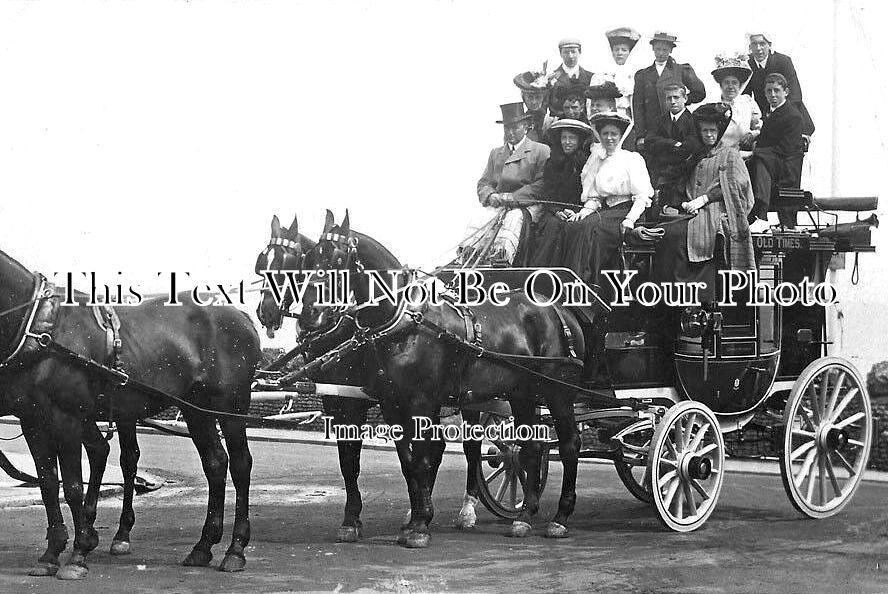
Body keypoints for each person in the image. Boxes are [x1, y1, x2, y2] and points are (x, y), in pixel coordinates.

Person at [652, 102, 755, 304]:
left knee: (677, 235)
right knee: (664, 231)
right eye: (705, 131)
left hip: (718, 209)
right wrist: (679, 203)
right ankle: (669, 296)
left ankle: (694, 296)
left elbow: (736, 187)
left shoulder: (730, 154)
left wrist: (705, 199)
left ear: (719, 131)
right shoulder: (698, 154)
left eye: (713, 131)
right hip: (692, 210)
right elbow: (683, 182)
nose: (709, 135)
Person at [561, 112, 654, 289]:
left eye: (614, 134)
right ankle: (570, 282)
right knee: (574, 226)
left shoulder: (631, 159)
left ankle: (588, 284)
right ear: (600, 135)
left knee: (592, 230)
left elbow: (642, 196)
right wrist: (583, 213)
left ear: (620, 136)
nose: (609, 138)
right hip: (606, 211)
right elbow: (595, 197)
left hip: (628, 211)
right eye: (605, 134)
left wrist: (630, 220)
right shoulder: (596, 159)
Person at [474, 102, 551, 264]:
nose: (510, 132)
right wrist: (491, 195)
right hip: (499, 203)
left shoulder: (541, 150)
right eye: (507, 128)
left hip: (528, 205)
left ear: (526, 127)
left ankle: (501, 258)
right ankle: (472, 256)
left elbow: (541, 184)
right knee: (480, 217)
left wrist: (513, 197)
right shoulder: (496, 153)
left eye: (515, 127)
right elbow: (484, 182)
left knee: (514, 219)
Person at [529, 119, 593, 267]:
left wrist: (576, 211)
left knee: (572, 229)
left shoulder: (587, 163)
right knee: (552, 226)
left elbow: (589, 194)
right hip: (554, 212)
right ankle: (539, 274)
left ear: (579, 140)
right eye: (564, 138)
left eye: (571, 138)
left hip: (579, 211)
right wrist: (557, 211)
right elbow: (548, 193)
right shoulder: (552, 163)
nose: (567, 142)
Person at [746, 73, 804, 232]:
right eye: (769, 91)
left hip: (786, 165)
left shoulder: (793, 116)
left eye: (777, 91)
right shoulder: (769, 112)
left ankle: (762, 216)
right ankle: (747, 215)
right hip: (773, 161)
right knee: (748, 163)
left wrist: (756, 152)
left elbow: (785, 149)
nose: (772, 95)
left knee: (759, 159)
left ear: (786, 92)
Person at [633, 32, 706, 148]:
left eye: (665, 50)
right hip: (652, 130)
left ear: (671, 50)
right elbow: (638, 106)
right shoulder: (643, 75)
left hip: (676, 127)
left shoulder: (681, 70)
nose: (661, 53)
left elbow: (700, 92)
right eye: (657, 49)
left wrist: (680, 101)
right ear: (652, 48)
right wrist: (640, 135)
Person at [744, 32, 814, 141]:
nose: (758, 48)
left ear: (769, 45)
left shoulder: (783, 61)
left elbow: (795, 94)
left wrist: (782, 118)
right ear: (749, 47)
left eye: (762, 44)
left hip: (791, 114)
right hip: (763, 117)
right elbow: (745, 97)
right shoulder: (747, 64)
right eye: (754, 44)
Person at [643, 83, 703, 209]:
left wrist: (662, 146)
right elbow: (649, 141)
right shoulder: (660, 120)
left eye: (676, 97)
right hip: (660, 170)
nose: (672, 102)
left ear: (685, 99)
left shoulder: (693, 120)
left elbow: (689, 148)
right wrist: (672, 143)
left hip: (683, 173)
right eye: (668, 98)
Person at [712, 53, 761, 150]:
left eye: (734, 83)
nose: (731, 87)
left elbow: (758, 126)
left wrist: (752, 134)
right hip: (720, 154)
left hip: (745, 153)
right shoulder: (714, 106)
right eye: (726, 83)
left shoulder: (747, 102)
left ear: (739, 85)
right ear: (721, 85)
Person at [550, 38, 594, 116]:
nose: (570, 56)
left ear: (579, 52)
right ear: (560, 54)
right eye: (566, 52)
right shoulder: (551, 78)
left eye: (573, 52)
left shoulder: (591, 77)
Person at [603, 27, 641, 117]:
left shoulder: (637, 75)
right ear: (612, 52)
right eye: (616, 49)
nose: (620, 53)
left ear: (629, 53)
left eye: (624, 50)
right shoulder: (601, 75)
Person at [513, 66, 557, 143]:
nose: (534, 102)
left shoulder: (552, 122)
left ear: (543, 98)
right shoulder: (518, 124)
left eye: (538, 97)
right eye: (530, 97)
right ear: (523, 98)